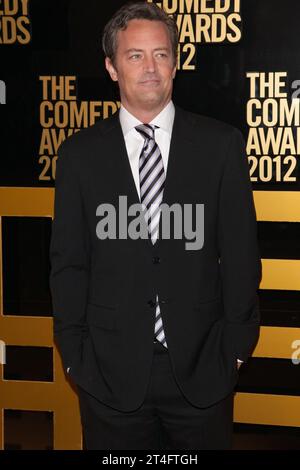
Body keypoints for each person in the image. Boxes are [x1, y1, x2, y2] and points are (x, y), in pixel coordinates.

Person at [49, 1, 261, 450]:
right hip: (107, 375)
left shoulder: (221, 147)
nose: (150, 67)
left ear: (175, 63)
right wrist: (75, 357)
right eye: (135, 55)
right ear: (111, 67)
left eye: (161, 54)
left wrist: (236, 349)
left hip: (204, 371)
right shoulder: (79, 155)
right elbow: (69, 263)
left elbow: (241, 256)